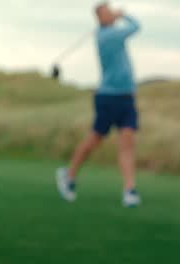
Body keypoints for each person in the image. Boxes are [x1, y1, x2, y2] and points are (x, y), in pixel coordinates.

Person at [56, 2, 141, 207]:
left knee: (127, 142)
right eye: (107, 12)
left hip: (127, 97)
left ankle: (129, 190)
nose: (111, 14)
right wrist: (123, 15)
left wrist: (116, 17)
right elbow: (136, 26)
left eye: (111, 10)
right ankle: (68, 175)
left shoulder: (109, 32)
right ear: (100, 18)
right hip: (107, 97)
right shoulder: (107, 36)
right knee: (95, 140)